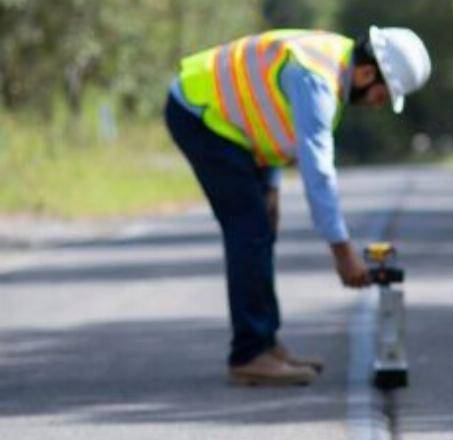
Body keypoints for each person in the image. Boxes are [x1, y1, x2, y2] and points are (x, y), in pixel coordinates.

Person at [164, 26, 431, 386]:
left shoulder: (331, 58)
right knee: (249, 229)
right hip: (201, 116)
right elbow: (318, 173)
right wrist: (342, 253)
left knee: (261, 226)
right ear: (367, 74)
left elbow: (268, 113)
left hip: (228, 124)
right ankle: (249, 354)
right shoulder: (318, 81)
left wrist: (271, 186)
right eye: (382, 96)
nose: (377, 104)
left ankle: (265, 342)